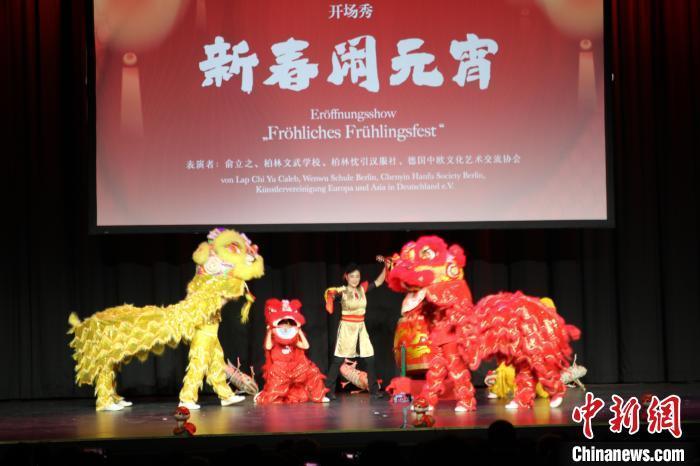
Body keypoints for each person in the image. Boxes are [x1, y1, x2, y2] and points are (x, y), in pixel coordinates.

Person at [324, 257, 387, 399]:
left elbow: (379, 281)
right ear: (346, 277)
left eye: (357, 276)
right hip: (347, 327)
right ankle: (328, 390)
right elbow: (331, 295)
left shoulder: (362, 289)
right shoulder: (342, 291)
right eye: (352, 276)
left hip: (361, 327)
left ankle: (374, 390)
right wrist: (330, 298)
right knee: (338, 360)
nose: (355, 279)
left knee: (370, 357)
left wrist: (386, 265)